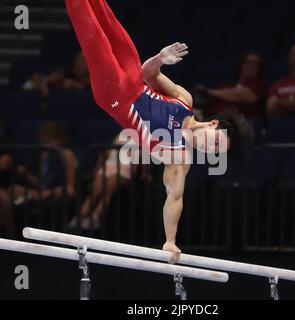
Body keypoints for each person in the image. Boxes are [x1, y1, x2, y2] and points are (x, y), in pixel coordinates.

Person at [65, 0, 253, 254]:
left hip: (115, 96)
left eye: (215, 152)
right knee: (106, 17)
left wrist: (170, 240)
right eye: (216, 142)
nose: (210, 149)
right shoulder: (184, 100)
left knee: (92, 31)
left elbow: (174, 198)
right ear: (213, 124)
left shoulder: (179, 156)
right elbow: (148, 74)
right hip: (133, 77)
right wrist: (160, 59)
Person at [69, 135, 140, 230]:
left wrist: (137, 173)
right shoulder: (120, 134)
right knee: (94, 191)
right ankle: (79, 217)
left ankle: (94, 217)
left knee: (107, 190)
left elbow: (140, 158)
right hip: (109, 165)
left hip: (125, 168)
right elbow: (107, 152)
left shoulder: (142, 136)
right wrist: (97, 168)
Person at [13, 122, 77, 205]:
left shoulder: (67, 155)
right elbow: (42, 183)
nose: (44, 145)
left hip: (58, 194)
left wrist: (49, 193)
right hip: (42, 194)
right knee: (13, 189)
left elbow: (70, 188)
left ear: (59, 140)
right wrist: (26, 175)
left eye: (47, 141)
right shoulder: (44, 155)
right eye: (42, 142)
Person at [197, 52, 268, 118]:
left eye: (255, 64)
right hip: (212, 119)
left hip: (238, 125)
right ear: (241, 64)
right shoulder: (228, 85)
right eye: (248, 62)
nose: (251, 66)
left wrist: (208, 91)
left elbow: (248, 96)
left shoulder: (260, 84)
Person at [0, 117, 14, 238]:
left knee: (3, 197)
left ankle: (10, 237)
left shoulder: (4, 146)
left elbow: (4, 164)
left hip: (3, 185)